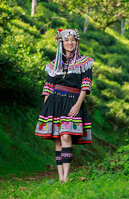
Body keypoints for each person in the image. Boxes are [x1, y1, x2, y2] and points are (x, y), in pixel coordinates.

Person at [35, 29, 94, 182]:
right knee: (58, 140)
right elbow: (48, 87)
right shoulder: (53, 65)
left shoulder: (85, 62)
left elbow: (86, 85)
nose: (70, 43)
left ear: (77, 42)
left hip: (73, 101)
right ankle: (60, 177)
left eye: (72, 40)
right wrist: (47, 109)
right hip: (55, 102)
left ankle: (65, 177)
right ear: (61, 42)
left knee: (66, 136)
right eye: (66, 40)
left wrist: (78, 104)